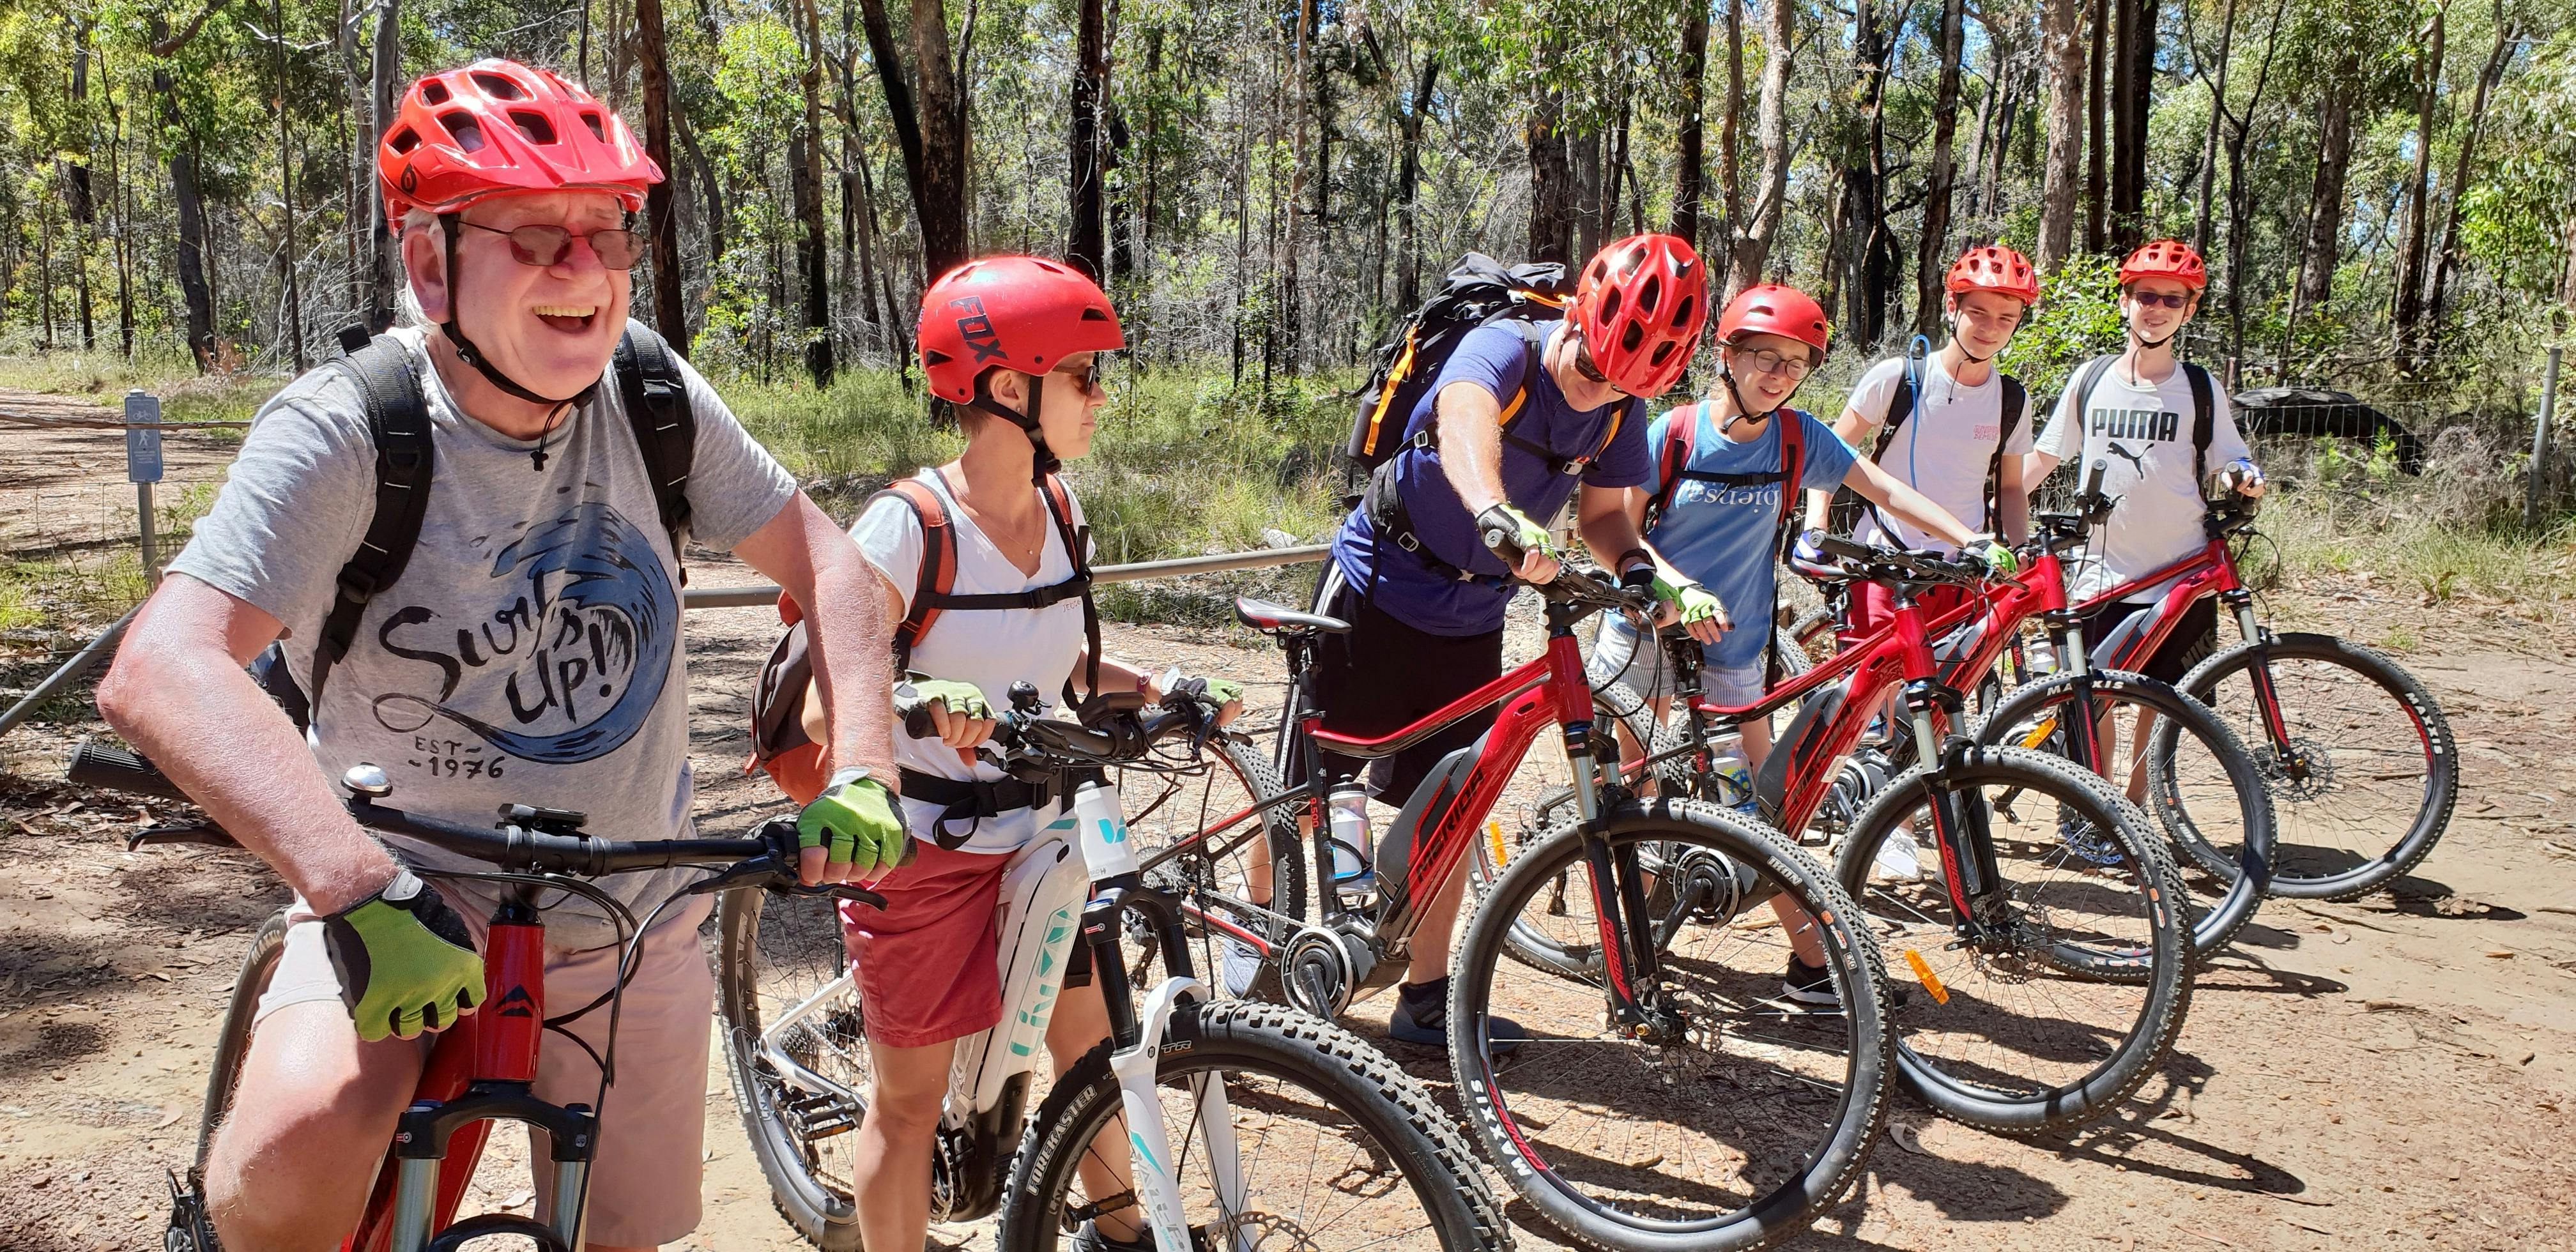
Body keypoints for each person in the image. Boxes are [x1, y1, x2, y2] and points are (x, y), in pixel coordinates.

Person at [93, 59, 907, 1252]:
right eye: (535, 237)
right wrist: (356, 885)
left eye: (607, 231)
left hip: (635, 913)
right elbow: (161, 665)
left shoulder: (652, 390)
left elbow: (832, 566)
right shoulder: (346, 427)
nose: (584, 270)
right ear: (432, 263)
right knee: (290, 1157)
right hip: (412, 892)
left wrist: (865, 768)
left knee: (631, 1235)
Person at [822, 256, 1246, 1252]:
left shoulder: (1061, 512)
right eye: (1083, 377)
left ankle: (1120, 1232)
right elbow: (822, 710)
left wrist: (1160, 688)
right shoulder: (908, 529)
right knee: (911, 1104)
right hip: (923, 848)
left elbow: (1060, 671)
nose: (1099, 398)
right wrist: (921, 699)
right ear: (1009, 389)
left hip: (1044, 836)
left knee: (1092, 1048)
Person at [1282, 232, 1711, 1046]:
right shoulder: (1503, 346)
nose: (1599, 391)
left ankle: (1426, 998)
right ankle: (1262, 970)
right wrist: (1494, 506)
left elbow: (1606, 520)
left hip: (1472, 615)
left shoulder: (1622, 406)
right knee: (1304, 791)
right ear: (1582, 320)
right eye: (1593, 369)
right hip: (1375, 588)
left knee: (1451, 806)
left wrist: (1664, 579)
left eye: (1624, 382)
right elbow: (1461, 424)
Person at [1587, 281, 2014, 1004]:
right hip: (1646, 634)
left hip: (1736, 646)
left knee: (1769, 811)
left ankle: (1812, 964)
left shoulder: (1796, 436)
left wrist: (1969, 535)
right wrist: (1673, 589)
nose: (1777, 374)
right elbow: (1617, 534)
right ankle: (1634, 946)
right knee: (1641, 791)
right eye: (1762, 356)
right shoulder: (1676, 433)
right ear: (1726, 356)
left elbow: (1881, 488)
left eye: (1794, 362)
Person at [2025, 238, 2266, 857]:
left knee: (2163, 701)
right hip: (2098, 571)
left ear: (2189, 310)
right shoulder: (2092, 380)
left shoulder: (2201, 388)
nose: (2155, 308)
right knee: (2092, 696)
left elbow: (2229, 456)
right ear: (2125, 302)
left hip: (2179, 571)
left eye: (2171, 299)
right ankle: (2090, 806)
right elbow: (2046, 457)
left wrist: (2244, 474)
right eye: (2145, 296)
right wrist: (1982, 509)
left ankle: (2132, 813)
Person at [1804, 243, 2042, 639]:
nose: (1990, 328)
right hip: (1885, 562)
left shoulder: (2011, 401)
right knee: (1876, 693)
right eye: (1978, 312)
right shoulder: (1897, 379)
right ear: (1952, 307)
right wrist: (1816, 523)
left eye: (2006, 318)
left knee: (1948, 694)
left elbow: (2012, 486)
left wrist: (2020, 551)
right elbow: (1828, 453)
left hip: (1963, 571)